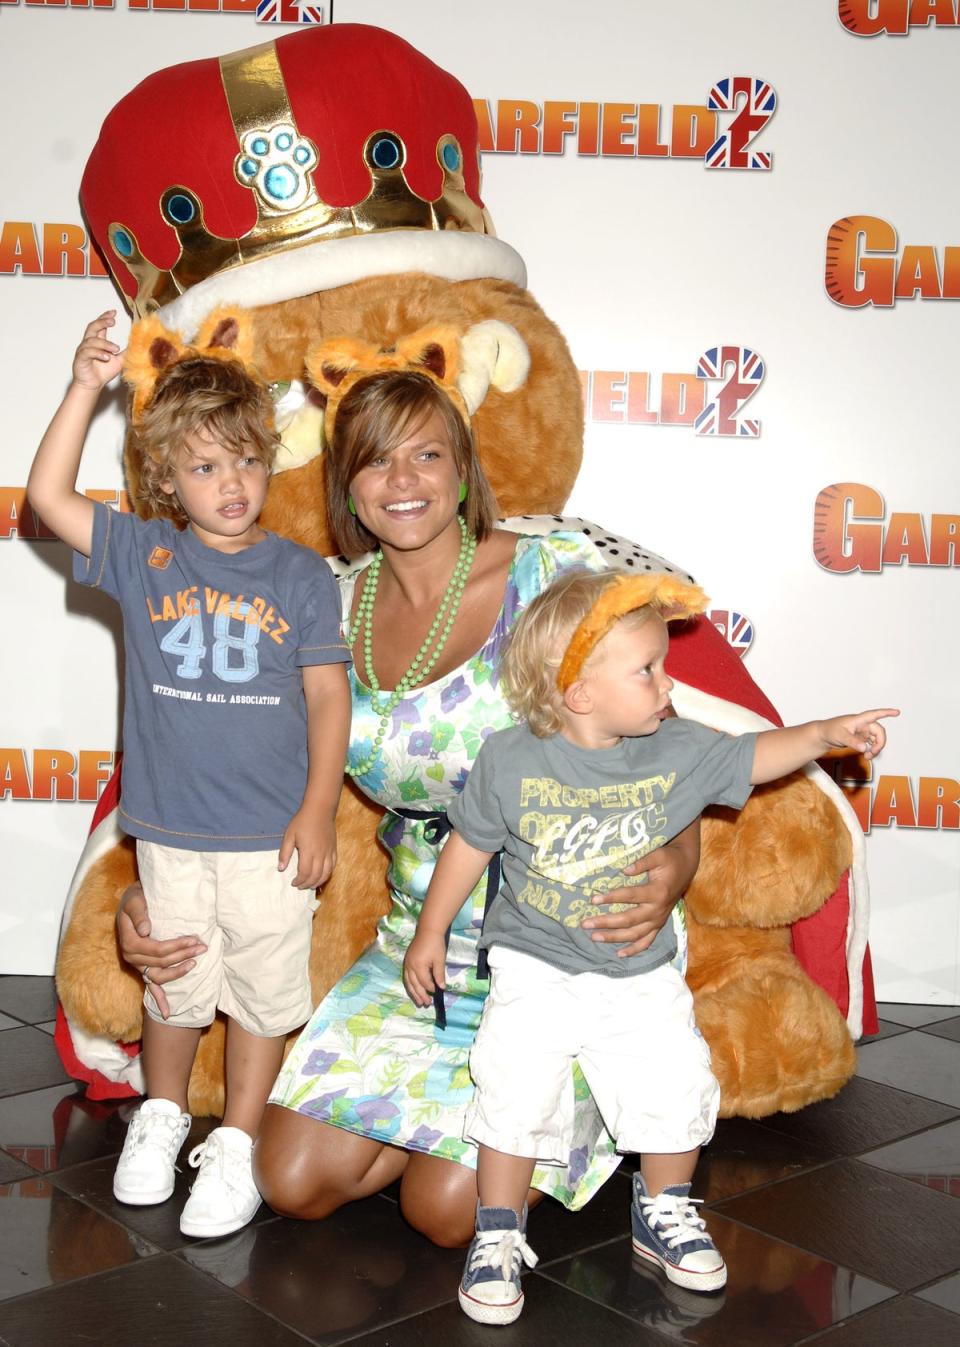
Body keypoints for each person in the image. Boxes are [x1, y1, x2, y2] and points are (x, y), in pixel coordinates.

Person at [115, 358, 701, 1246]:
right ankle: (435, 1120)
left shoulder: (551, 571)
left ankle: (605, 1103)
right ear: (345, 483)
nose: (403, 481)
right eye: (376, 460)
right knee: (292, 1179)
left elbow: (664, 734)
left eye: (427, 454)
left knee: (446, 1210)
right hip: (417, 950)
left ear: (463, 468)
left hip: (563, 947)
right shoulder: (324, 599)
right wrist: (146, 892)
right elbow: (226, 754)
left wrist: (676, 864)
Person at [402, 566, 897, 1324]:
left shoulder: (673, 747)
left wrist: (823, 735)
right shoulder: (511, 758)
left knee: (674, 1082)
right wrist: (431, 931)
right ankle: (499, 1228)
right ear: (579, 692)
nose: (668, 684)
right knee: (513, 1085)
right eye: (648, 670)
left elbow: (753, 755)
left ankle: (664, 1207)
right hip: (534, 961)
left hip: (638, 967)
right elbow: (469, 845)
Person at [28, 312, 351, 1238]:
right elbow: (47, 495)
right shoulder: (141, 551)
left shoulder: (299, 573)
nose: (232, 483)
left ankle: (239, 1142)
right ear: (166, 478)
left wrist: (318, 810)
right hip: (170, 833)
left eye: (246, 460)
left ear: (269, 461)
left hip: (272, 841)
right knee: (174, 987)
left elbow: (329, 699)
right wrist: (86, 384)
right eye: (204, 466)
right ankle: (161, 1118)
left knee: (261, 995)